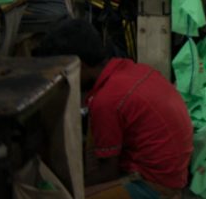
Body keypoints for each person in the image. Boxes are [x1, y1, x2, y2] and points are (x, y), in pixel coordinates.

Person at [33, 19, 193, 199]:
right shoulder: (130, 68)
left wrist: (66, 185)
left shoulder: (106, 100)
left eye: (64, 73)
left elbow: (108, 171)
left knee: (66, 196)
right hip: (175, 172)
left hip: (156, 184)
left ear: (80, 66)